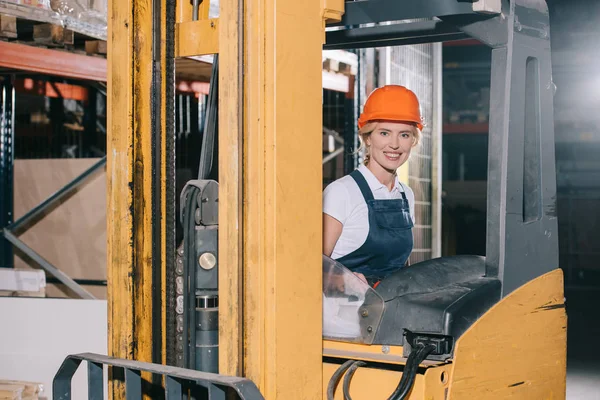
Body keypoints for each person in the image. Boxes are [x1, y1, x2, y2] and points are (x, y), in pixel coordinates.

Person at [322, 85, 422, 287]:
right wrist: (344, 281)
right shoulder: (341, 193)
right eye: (384, 133)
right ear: (368, 137)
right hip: (343, 314)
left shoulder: (405, 195)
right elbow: (309, 269)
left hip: (391, 312)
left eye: (404, 135)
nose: (394, 144)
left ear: (413, 140)